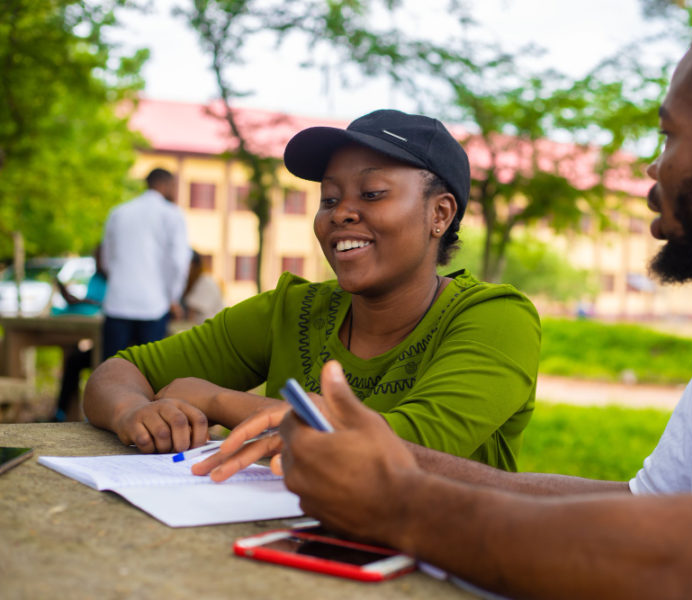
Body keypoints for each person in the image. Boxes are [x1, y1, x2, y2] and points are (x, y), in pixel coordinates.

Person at [269, 2, 692, 598]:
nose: (654, 172)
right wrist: (395, 462)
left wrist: (398, 505)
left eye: (670, 137)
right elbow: (646, 511)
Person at [83, 109, 540, 474]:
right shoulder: (293, 309)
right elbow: (120, 371)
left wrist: (218, 400)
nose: (341, 213)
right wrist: (130, 413)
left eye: (373, 193)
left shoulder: (496, 319)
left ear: (439, 214)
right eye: (329, 198)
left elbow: (400, 448)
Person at [100, 168, 192, 358]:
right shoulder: (172, 214)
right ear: (165, 184)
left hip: (117, 302)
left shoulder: (118, 212)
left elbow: (106, 259)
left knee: (112, 371)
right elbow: (178, 261)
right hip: (154, 305)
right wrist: (173, 297)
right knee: (149, 375)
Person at [51, 245, 107, 421]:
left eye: (102, 257)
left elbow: (101, 305)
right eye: (96, 258)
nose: (98, 262)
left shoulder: (120, 280)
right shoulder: (96, 278)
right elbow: (93, 303)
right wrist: (75, 301)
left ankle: (97, 416)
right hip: (99, 336)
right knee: (74, 360)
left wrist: (81, 301)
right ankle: (61, 413)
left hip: (118, 346)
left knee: (100, 363)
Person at [181, 250, 224, 324]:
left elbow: (191, 314)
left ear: (193, 264)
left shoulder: (205, 282)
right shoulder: (193, 281)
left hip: (209, 329)